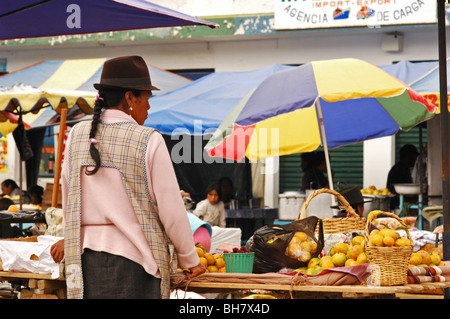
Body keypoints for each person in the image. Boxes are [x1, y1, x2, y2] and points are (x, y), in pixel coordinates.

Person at [49, 56, 204, 299]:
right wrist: (189, 259)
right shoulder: (148, 139)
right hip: (137, 264)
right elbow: (171, 209)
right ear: (130, 98)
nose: (149, 108)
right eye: (147, 99)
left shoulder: (77, 134)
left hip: (86, 264)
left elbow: (69, 201)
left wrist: (70, 241)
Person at [386, 144, 419, 209]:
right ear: (408, 156)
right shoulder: (399, 170)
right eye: (415, 157)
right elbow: (395, 191)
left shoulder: (403, 168)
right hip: (397, 206)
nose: (416, 160)